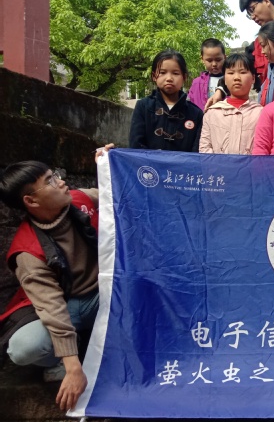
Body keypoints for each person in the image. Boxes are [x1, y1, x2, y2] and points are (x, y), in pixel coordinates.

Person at [0, 149, 112, 411]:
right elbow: (52, 309)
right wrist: (73, 368)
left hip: (103, 294)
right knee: (23, 348)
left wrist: (109, 166)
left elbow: (117, 193)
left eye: (56, 175)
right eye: (49, 180)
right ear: (31, 201)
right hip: (66, 306)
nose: (61, 182)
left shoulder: (80, 199)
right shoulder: (27, 252)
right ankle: (65, 355)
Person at [129, 50, 203, 152]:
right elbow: (136, 146)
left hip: (183, 163)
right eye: (162, 73)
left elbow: (196, 152)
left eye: (175, 73)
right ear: (154, 76)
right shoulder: (143, 107)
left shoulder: (196, 113)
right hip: (149, 163)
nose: (169, 78)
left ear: (184, 77)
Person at [199, 54, 262, 154]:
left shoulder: (261, 113)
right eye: (231, 73)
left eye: (243, 72)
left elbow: (263, 149)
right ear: (224, 79)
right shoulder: (212, 113)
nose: (236, 77)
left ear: (253, 78)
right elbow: (204, 148)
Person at [187, 38, 226, 111]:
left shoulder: (231, 80)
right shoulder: (196, 83)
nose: (214, 64)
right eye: (209, 60)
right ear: (202, 59)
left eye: (218, 60)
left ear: (224, 57)